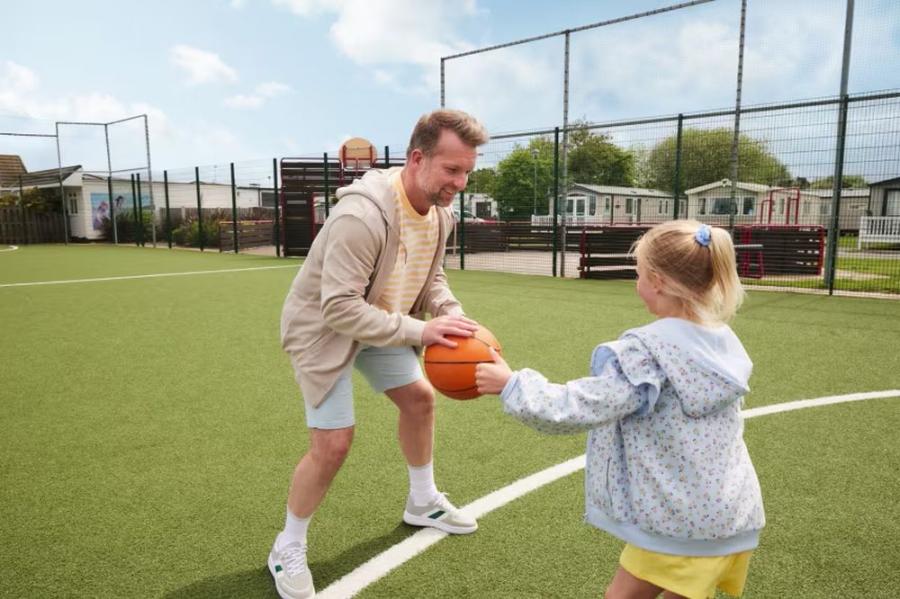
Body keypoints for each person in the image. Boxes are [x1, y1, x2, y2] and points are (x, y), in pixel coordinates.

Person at [476, 220, 765, 599]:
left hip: (678, 523)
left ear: (657, 281)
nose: (637, 283)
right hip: (731, 514)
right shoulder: (722, 344)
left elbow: (583, 406)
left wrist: (512, 384)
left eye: (639, 274)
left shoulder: (647, 353)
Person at [271, 109, 489, 599]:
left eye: (467, 171)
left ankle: (422, 502)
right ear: (417, 158)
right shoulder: (361, 216)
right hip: (324, 329)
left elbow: (431, 276)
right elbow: (339, 309)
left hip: (379, 319)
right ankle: (287, 546)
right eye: (452, 170)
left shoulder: (440, 214)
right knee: (333, 444)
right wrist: (421, 329)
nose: (461, 181)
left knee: (420, 400)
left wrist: (450, 313)